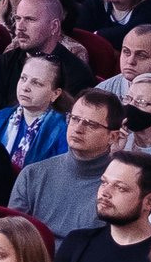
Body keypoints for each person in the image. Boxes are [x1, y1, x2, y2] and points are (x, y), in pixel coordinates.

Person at [9, 89, 123, 235]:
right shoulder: (32, 174)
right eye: (74, 119)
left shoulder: (119, 188)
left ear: (113, 137)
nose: (78, 129)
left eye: (91, 124)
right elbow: (11, 235)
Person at [0, 56, 69, 171]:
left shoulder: (63, 130)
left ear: (55, 94)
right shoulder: (2, 116)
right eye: (23, 78)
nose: (25, 87)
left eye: (36, 83)